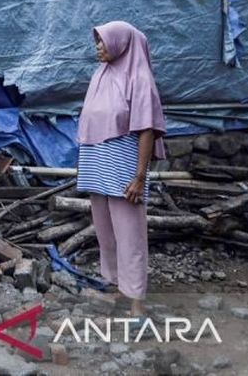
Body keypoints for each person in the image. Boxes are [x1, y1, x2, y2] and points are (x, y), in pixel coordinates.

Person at [75, 21, 166, 316]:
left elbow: (147, 130)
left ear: (121, 43)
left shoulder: (139, 78)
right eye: (97, 42)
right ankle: (115, 287)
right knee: (105, 232)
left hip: (124, 167)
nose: (98, 47)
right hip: (97, 165)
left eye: (103, 41)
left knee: (131, 234)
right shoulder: (100, 74)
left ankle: (136, 300)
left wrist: (140, 177)